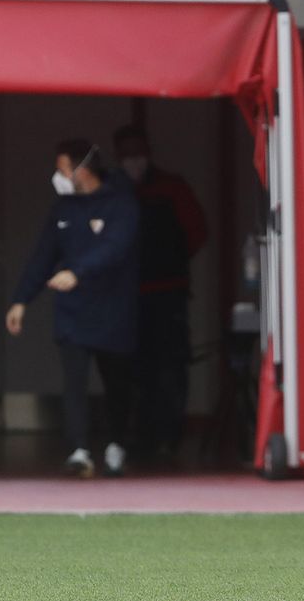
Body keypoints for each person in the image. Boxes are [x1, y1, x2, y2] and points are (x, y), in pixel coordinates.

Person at [6, 140, 140, 478]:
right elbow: (42, 257)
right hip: (73, 312)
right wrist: (21, 299)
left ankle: (117, 446)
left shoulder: (121, 203)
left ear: (83, 169)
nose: (59, 175)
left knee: (118, 383)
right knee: (74, 382)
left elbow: (115, 248)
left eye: (63, 168)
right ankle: (79, 450)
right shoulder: (63, 208)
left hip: (114, 311)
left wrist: (77, 273)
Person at [113, 124, 207, 460]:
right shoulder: (113, 189)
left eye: (138, 151)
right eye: (126, 153)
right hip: (127, 297)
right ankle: (139, 438)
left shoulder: (171, 187)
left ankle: (169, 436)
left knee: (170, 367)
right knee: (133, 371)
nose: (133, 160)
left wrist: (171, 263)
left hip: (168, 293)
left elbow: (196, 232)